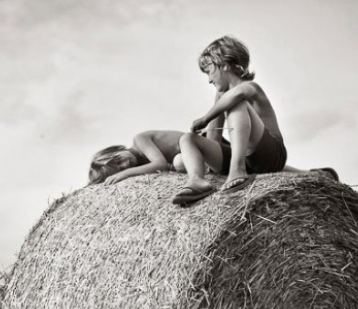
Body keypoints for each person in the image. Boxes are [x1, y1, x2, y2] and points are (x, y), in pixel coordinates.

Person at [173, 36, 292, 206]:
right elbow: (214, 137)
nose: (209, 80)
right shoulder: (221, 97)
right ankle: (197, 180)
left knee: (236, 103)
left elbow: (238, 94)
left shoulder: (250, 87)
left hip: (270, 155)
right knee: (187, 139)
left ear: (224, 64)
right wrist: (203, 156)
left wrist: (206, 118)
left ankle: (237, 169)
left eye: (209, 71)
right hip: (246, 157)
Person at [88, 129, 229, 185]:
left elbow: (160, 163)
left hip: (208, 150)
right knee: (178, 163)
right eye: (120, 169)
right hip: (205, 162)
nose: (124, 165)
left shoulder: (139, 140)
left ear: (116, 149)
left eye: (118, 160)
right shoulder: (142, 167)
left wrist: (125, 174)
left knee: (179, 161)